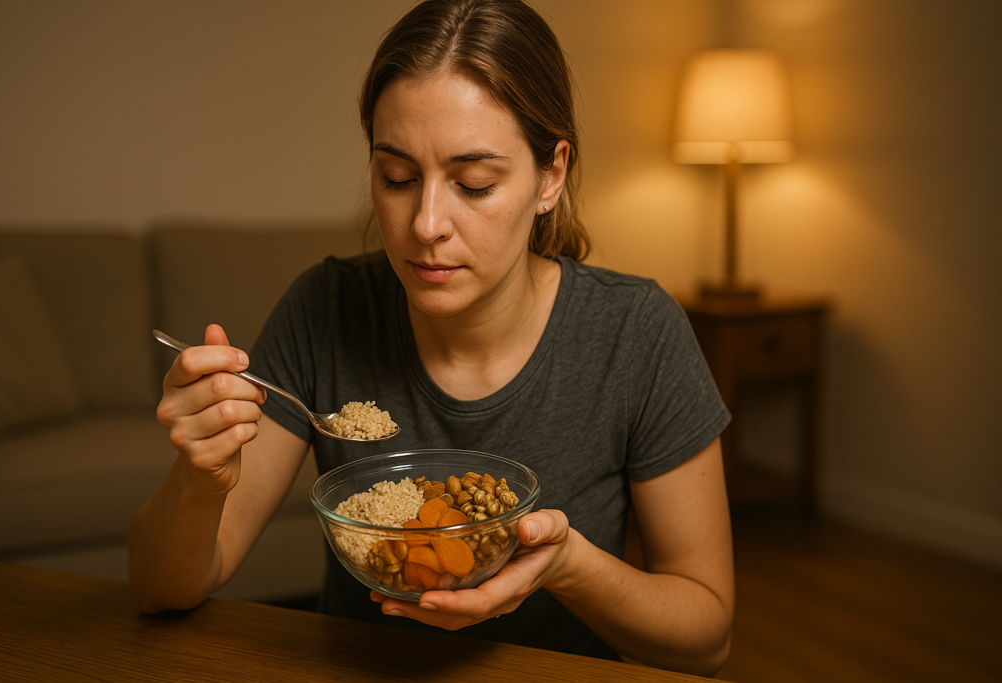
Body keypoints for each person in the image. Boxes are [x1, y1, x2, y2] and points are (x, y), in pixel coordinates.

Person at [128, 0, 734, 675]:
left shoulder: (636, 333)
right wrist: (199, 478)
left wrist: (567, 564)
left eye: (473, 183)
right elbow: (162, 589)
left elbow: (706, 638)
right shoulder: (325, 308)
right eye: (398, 177)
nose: (425, 223)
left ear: (550, 176)